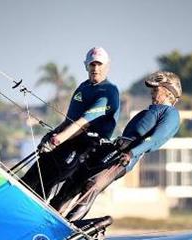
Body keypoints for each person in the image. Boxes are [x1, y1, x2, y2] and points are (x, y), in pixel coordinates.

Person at [51, 70, 182, 221]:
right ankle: (54, 210)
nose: (152, 93)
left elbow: (154, 140)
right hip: (114, 148)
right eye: (152, 89)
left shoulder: (171, 114)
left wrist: (131, 153)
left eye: (156, 89)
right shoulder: (151, 110)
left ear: (168, 92)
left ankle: (70, 221)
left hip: (124, 157)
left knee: (92, 184)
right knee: (77, 177)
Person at [21, 47, 120, 200]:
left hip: (84, 147)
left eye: (99, 64)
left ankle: (36, 216)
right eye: (92, 64)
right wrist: (52, 134)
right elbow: (69, 121)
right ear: (86, 65)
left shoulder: (109, 91)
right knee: (30, 178)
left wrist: (58, 139)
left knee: (45, 184)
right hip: (66, 140)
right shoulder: (84, 86)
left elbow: (83, 123)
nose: (95, 68)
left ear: (107, 66)